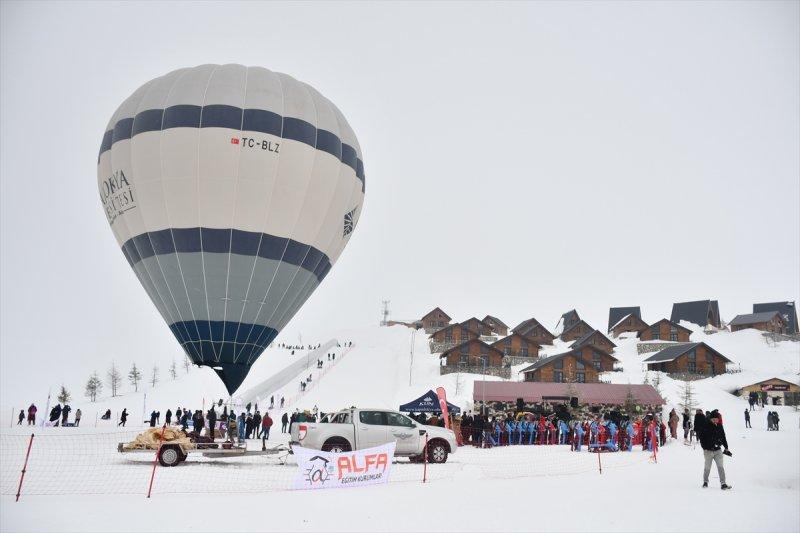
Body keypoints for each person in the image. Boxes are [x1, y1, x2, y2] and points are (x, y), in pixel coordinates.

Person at [699, 410, 731, 489]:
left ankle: (723, 483)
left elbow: (723, 437)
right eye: (716, 419)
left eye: (718, 419)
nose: (717, 420)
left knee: (720, 467)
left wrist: (726, 447)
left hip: (718, 450)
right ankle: (705, 481)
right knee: (707, 467)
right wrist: (705, 448)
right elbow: (702, 438)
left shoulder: (720, 426)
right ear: (712, 418)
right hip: (708, 451)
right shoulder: (705, 425)